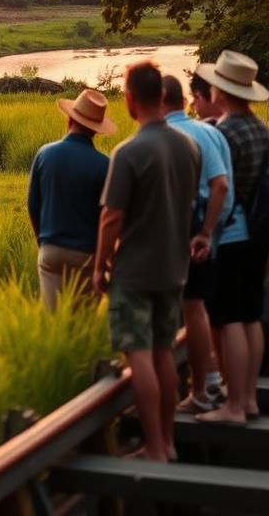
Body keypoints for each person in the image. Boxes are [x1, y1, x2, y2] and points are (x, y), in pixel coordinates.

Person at [93, 61, 200, 461]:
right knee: (164, 355)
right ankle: (168, 443)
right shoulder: (188, 147)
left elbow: (112, 216)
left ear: (132, 98)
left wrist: (101, 265)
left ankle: (154, 448)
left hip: (135, 273)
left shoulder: (129, 152)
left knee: (139, 357)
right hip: (174, 269)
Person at [194, 50, 269, 424]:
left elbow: (218, 188)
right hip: (257, 235)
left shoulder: (223, 132)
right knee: (252, 315)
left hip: (232, 234)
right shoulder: (259, 129)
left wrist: (206, 232)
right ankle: (250, 398)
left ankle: (234, 405)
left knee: (228, 318)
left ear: (221, 92)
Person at [161, 75, 231, 413]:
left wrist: (202, 231)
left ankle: (200, 387)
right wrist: (213, 230)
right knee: (198, 309)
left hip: (182, 238)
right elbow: (225, 188)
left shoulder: (172, 137)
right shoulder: (210, 131)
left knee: (189, 311)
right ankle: (212, 381)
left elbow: (219, 186)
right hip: (211, 236)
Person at [28, 89, 115, 309]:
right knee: (82, 326)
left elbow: (33, 204)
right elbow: (108, 216)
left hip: (50, 252)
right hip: (86, 255)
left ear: (70, 120)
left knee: (53, 324)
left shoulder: (45, 154)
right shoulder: (104, 164)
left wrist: (43, 242)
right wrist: (105, 259)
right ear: (96, 131)